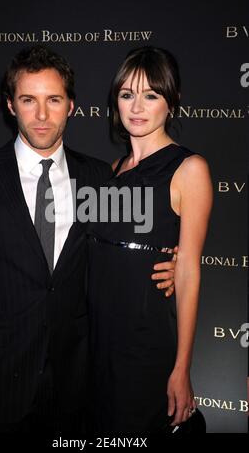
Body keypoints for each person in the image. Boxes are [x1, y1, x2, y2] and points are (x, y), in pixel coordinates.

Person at [0, 45, 176, 433]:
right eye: (28, 100)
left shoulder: (99, 178)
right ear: (10, 105)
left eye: (53, 100)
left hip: (74, 385)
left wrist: (174, 264)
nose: (41, 115)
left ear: (71, 105)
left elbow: (119, 251)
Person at [87, 46, 213, 434]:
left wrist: (182, 368)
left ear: (171, 102)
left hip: (144, 344)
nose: (136, 106)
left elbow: (189, 272)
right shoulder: (109, 171)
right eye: (127, 95)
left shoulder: (188, 169)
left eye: (151, 95)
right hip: (96, 343)